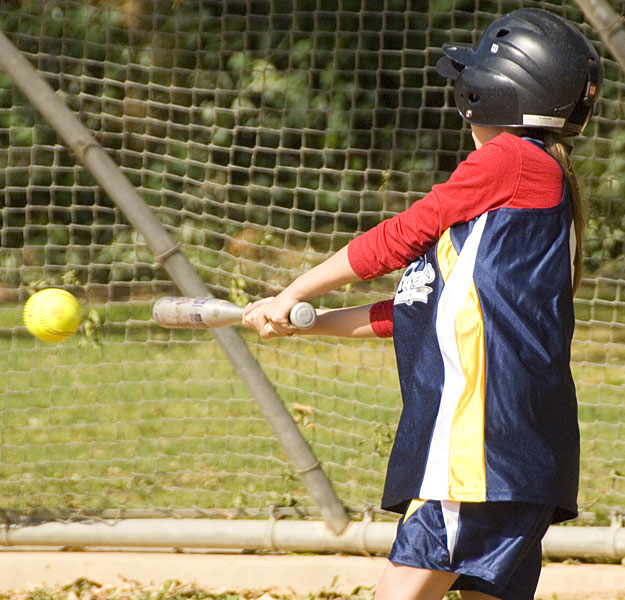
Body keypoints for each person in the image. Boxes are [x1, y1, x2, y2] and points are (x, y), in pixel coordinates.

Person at [243, 8, 603, 600]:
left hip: (477, 450)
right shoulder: (522, 200)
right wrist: (307, 322)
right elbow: (416, 307)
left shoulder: (512, 160)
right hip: (520, 450)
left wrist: (295, 289)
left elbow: (402, 234)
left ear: (488, 93)